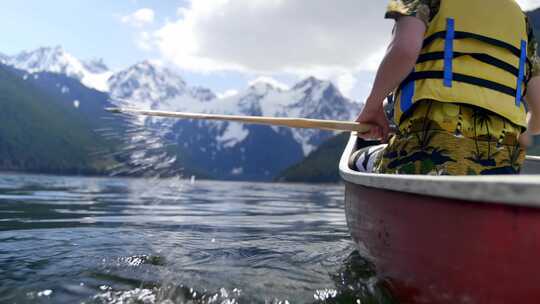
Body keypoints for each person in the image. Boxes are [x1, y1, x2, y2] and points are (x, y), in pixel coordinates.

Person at [354, 0, 540, 175]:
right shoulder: (522, 22)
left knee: (357, 160)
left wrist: (373, 107)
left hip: (423, 150)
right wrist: (520, 130)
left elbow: (405, 50)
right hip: (503, 165)